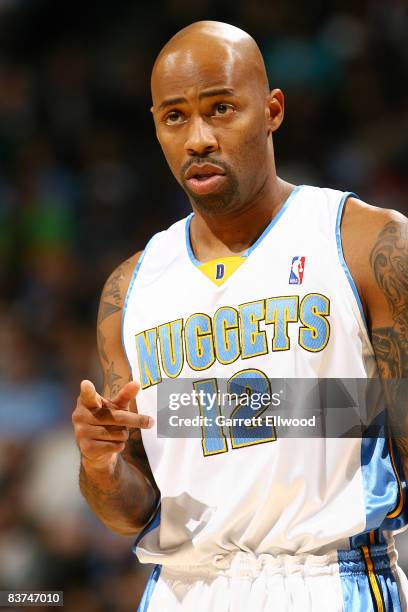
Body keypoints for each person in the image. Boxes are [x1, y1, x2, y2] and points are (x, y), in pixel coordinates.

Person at [72, 20, 408, 611]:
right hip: (180, 590)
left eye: (221, 108)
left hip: (328, 579)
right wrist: (99, 466)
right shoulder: (129, 289)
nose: (198, 137)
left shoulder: (368, 245)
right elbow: (131, 511)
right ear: (156, 127)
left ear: (273, 110)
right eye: (175, 117)